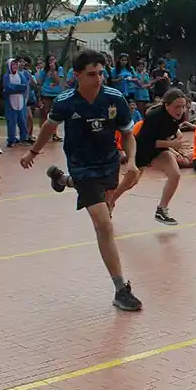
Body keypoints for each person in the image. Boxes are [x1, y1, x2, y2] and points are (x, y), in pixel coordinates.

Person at [21, 49, 142, 312]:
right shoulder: (66, 102)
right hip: (82, 166)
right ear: (76, 76)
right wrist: (33, 152)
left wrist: (131, 161)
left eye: (101, 73)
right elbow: (49, 127)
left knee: (106, 204)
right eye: (91, 74)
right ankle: (121, 289)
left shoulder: (115, 98)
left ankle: (62, 180)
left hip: (109, 165)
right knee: (104, 224)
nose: (98, 79)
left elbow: (128, 134)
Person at [108, 88, 188, 225]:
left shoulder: (179, 116)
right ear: (166, 105)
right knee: (130, 182)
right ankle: (109, 203)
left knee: (175, 175)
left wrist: (177, 137)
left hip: (159, 151)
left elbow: (172, 128)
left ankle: (161, 210)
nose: (180, 110)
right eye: (177, 106)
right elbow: (148, 142)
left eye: (183, 106)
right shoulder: (154, 116)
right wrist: (172, 144)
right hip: (142, 150)